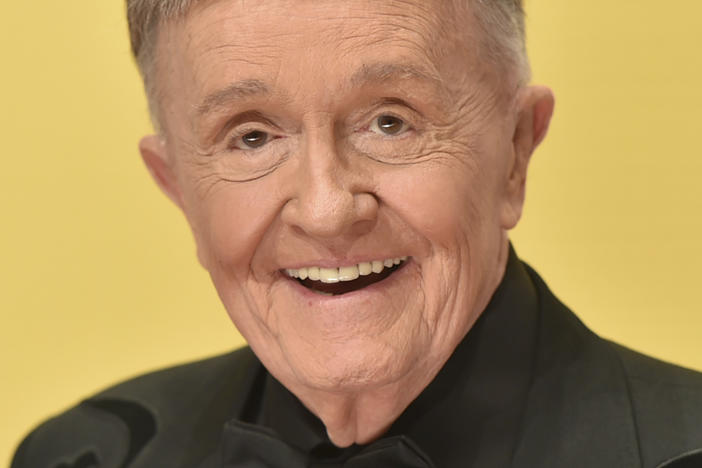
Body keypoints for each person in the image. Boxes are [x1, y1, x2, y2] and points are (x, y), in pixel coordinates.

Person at [11, 1, 702, 467]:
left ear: (515, 152)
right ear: (179, 190)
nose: (326, 208)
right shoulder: (84, 455)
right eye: (251, 137)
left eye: (390, 122)